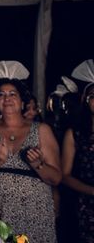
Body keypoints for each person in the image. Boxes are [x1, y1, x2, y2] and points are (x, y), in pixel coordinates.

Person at [0, 79, 61, 242]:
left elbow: (56, 177)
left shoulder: (41, 129)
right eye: (1, 94)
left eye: (12, 94)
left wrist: (38, 165)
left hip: (34, 209)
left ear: (22, 102)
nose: (7, 98)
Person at [61, 82, 94, 242]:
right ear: (86, 100)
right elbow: (64, 175)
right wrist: (91, 191)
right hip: (86, 204)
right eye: (93, 97)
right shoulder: (75, 133)